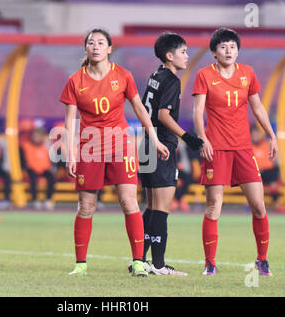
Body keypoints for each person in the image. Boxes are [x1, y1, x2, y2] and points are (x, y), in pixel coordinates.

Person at [60, 28, 170, 277]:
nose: (95, 46)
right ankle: (80, 265)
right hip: (90, 147)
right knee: (86, 207)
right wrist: (69, 152)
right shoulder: (75, 80)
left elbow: (141, 110)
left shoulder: (123, 75)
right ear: (86, 48)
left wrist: (154, 138)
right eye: (91, 42)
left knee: (128, 202)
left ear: (110, 48)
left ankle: (139, 262)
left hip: (120, 144)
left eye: (101, 43)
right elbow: (69, 121)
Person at [192, 28, 278, 276]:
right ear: (214, 52)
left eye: (232, 46)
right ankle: (210, 263)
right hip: (215, 148)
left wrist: (271, 135)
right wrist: (203, 139)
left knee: (259, 206)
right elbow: (198, 111)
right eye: (223, 47)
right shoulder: (204, 75)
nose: (228, 51)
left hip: (243, 149)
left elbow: (258, 107)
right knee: (214, 206)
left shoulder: (247, 73)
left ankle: (262, 260)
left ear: (238, 50)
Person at [138, 32, 203, 276]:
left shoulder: (155, 75)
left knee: (152, 206)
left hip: (147, 144)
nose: (187, 56)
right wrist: (188, 137)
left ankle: (140, 260)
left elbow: (145, 111)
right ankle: (158, 264)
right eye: (183, 51)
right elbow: (164, 115)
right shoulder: (172, 81)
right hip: (162, 145)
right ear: (170, 55)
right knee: (162, 208)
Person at [20, 126, 56, 211]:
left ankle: (48, 199)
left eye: (38, 135)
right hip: (32, 169)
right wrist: (26, 166)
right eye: (35, 135)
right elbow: (22, 160)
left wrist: (51, 167)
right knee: (33, 178)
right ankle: (35, 200)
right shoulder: (25, 146)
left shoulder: (46, 147)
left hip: (44, 169)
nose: (36, 138)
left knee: (51, 176)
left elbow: (51, 160)